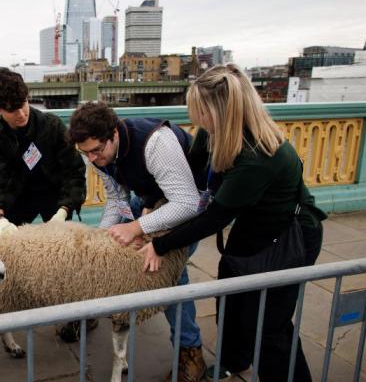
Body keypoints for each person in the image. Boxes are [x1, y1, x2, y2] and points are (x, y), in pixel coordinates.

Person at [140, 64, 326, 382]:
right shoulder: (214, 134)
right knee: (231, 299)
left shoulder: (258, 156)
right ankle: (234, 361)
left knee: (270, 327)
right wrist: (150, 202)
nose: (196, 119)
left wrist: (160, 243)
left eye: (201, 111)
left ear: (222, 111)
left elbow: (215, 217)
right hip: (253, 230)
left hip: (289, 236)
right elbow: (190, 170)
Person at [68, 101, 206, 382]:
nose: (92, 159)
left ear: (114, 135)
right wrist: (102, 239)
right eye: (86, 153)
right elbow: (118, 199)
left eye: (97, 151)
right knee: (100, 249)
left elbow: (188, 203)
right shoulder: (96, 153)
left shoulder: (155, 143)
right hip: (151, 199)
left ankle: (191, 352)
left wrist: (137, 226)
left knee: (170, 277)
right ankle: (98, 305)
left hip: (192, 201)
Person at [0, 67, 87, 235]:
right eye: (12, 110)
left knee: (60, 242)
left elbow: (74, 172)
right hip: (19, 193)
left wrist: (64, 210)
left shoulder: (53, 125)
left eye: (23, 104)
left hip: (53, 193)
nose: (21, 114)